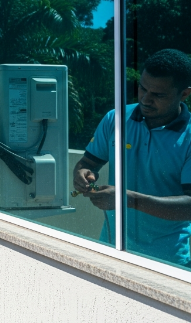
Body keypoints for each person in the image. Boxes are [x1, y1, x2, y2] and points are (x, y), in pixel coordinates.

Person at [73, 49, 191, 266]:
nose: (146, 99)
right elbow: (89, 162)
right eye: (142, 88)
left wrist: (128, 199)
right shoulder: (115, 118)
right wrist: (82, 173)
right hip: (111, 248)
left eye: (158, 95)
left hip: (168, 261)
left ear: (184, 94)